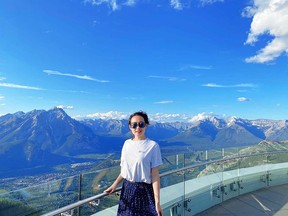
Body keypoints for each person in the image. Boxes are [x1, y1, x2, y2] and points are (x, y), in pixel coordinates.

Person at [105, 111, 163, 216]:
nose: (137, 128)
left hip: (145, 191)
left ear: (146, 125)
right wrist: (114, 185)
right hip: (127, 190)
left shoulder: (153, 146)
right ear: (129, 127)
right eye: (134, 125)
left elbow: (155, 176)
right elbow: (125, 171)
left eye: (141, 124)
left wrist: (157, 203)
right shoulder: (127, 144)